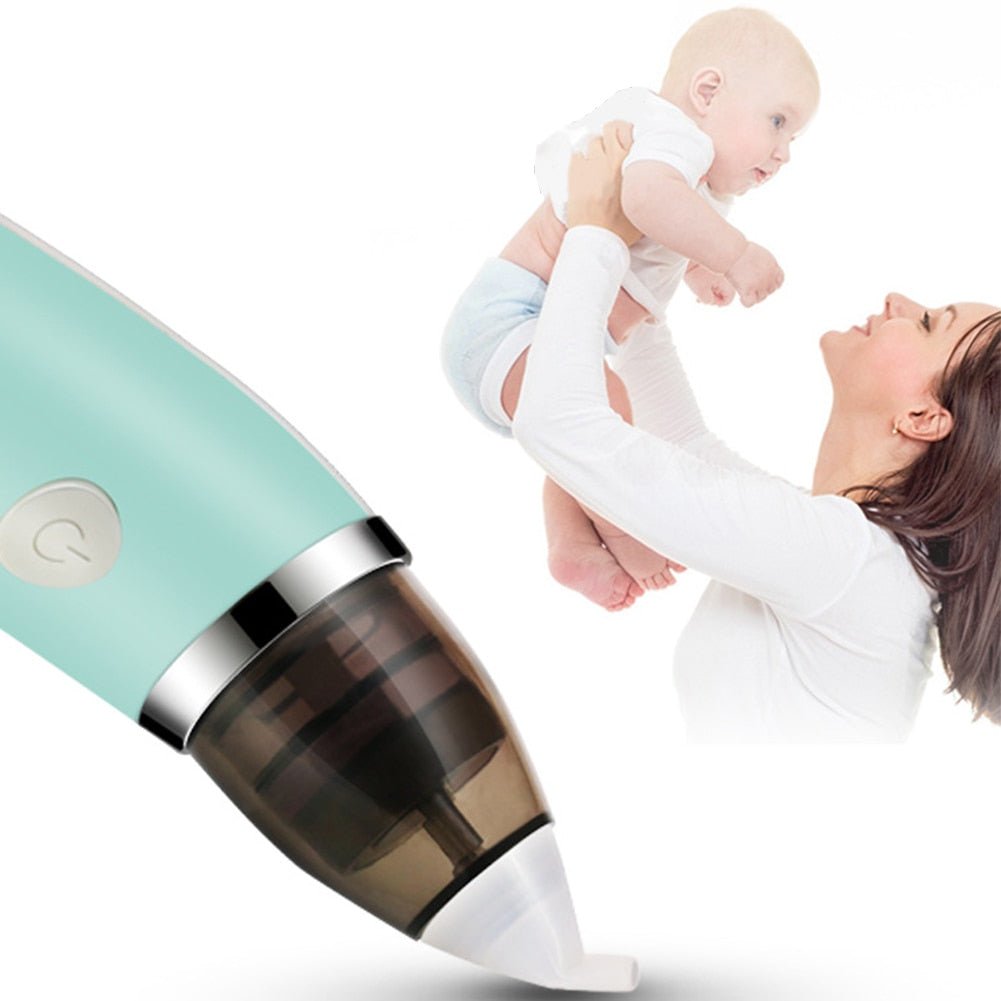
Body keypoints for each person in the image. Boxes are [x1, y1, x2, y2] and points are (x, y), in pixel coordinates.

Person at [507, 122, 1000, 741]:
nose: (900, 299)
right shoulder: (856, 557)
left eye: (929, 323)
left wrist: (594, 231)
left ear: (924, 419)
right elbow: (682, 442)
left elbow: (557, 423)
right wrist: (650, 259)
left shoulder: (848, 561)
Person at [441, 8, 819, 611]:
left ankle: (571, 545)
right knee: (602, 411)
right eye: (778, 122)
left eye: (794, 137)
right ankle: (621, 532)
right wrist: (737, 253)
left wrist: (700, 268)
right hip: (511, 319)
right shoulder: (672, 133)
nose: (785, 152)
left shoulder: (692, 177)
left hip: (512, 337)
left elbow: (662, 230)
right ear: (708, 91)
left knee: (584, 423)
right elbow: (644, 199)